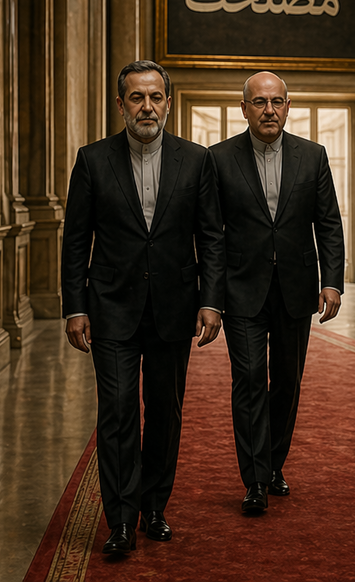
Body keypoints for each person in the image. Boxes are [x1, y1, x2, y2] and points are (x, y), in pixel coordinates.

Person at [61, 60, 224, 555]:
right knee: (116, 412)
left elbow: (211, 237)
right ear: (121, 105)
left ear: (168, 103)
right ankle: (120, 520)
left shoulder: (196, 160)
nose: (147, 106)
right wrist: (74, 306)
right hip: (111, 307)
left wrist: (211, 300)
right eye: (137, 97)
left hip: (174, 307)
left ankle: (154, 507)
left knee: (165, 412)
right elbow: (75, 241)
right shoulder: (93, 160)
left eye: (155, 97)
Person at [209, 72, 345, 515]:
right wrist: (210, 295)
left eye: (277, 102)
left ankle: (272, 465)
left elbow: (328, 223)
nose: (269, 110)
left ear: (288, 106)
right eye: (260, 102)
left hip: (296, 289)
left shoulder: (313, 155)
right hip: (241, 288)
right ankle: (254, 480)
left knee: (287, 381)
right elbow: (210, 233)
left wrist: (332, 281)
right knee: (249, 379)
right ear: (244, 108)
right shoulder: (218, 158)